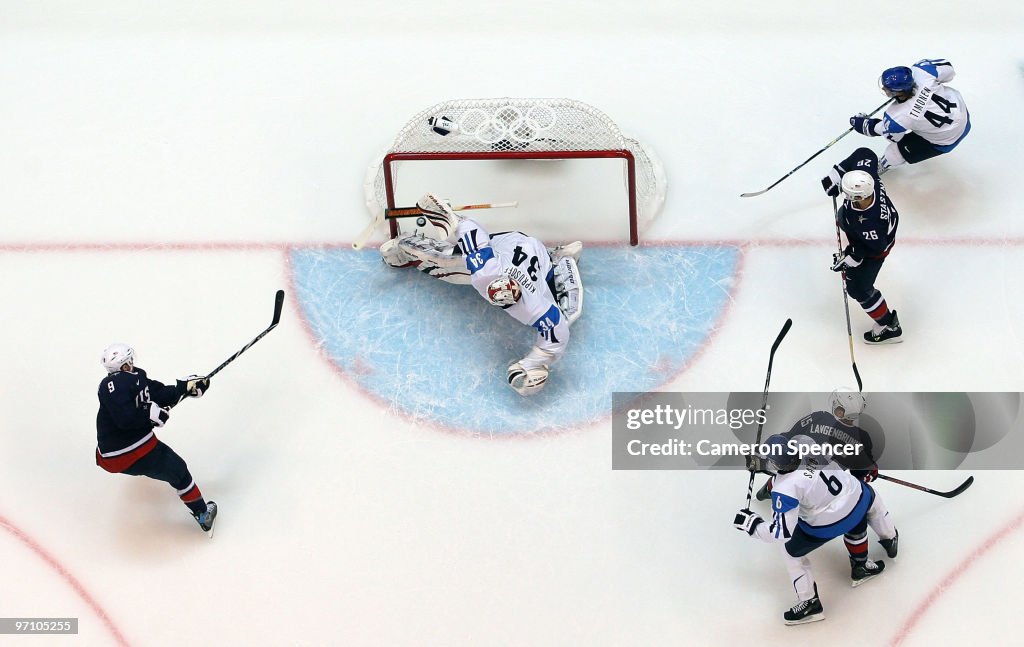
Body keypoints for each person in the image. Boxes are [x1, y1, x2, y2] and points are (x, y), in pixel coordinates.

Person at [379, 194, 584, 396]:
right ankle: (404, 249)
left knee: (566, 312)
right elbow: (557, 334)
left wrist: (534, 364)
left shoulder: (515, 293)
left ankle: (556, 258)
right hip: (520, 246)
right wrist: (449, 220)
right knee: (444, 263)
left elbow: (559, 331)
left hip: (525, 247)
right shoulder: (490, 274)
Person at [735, 434, 899, 625]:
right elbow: (845, 451)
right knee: (870, 497)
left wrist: (751, 524)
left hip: (826, 525)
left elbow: (780, 532)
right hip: (856, 503)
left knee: (789, 550)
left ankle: (809, 603)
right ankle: (887, 540)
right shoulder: (807, 443)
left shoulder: (784, 488)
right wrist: (865, 466)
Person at [95, 343, 217, 532]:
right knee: (179, 472)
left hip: (113, 454)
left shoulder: (135, 377)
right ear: (123, 366)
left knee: (176, 470)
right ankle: (203, 514)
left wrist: (184, 388)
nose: (132, 364)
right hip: (129, 450)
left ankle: (201, 512)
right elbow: (125, 419)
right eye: (129, 362)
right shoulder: (112, 386)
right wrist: (148, 414)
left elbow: (158, 394)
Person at [821, 147, 902, 344]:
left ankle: (889, 325)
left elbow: (877, 248)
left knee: (858, 287)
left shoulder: (869, 223)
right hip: (871, 236)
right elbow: (864, 153)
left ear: (857, 197)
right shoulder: (868, 179)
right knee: (843, 216)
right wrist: (837, 173)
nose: (844, 195)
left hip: (876, 247)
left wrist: (852, 257)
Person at [755, 387, 881, 501]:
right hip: (820, 493)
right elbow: (860, 473)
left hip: (792, 476)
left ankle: (769, 483)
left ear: (840, 411)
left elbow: (788, 436)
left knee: (779, 446)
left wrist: (767, 453)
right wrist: (870, 471)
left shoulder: (820, 416)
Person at [850, 58, 970, 174]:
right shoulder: (922, 71)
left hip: (945, 139)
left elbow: (891, 136)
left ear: (898, 92)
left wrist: (863, 124)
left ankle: (884, 164)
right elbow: (949, 71)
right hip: (962, 114)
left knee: (895, 152)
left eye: (887, 89)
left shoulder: (898, 116)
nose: (883, 88)